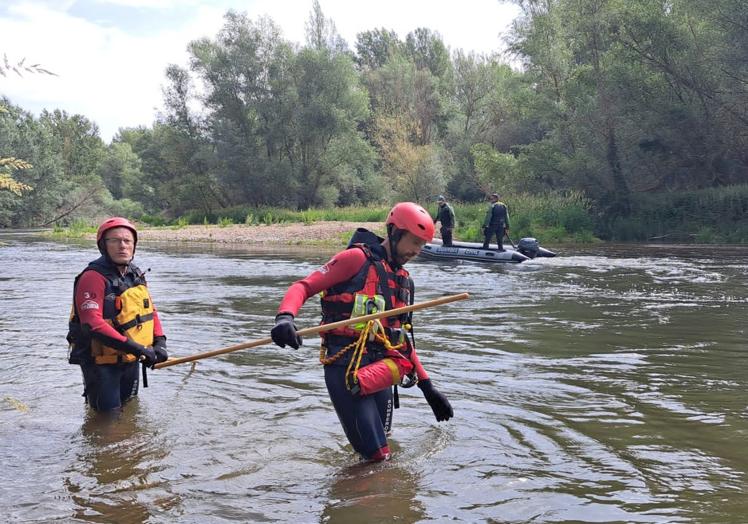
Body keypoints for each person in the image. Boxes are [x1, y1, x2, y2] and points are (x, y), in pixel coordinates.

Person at [270, 202, 453, 462]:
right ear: (394, 232)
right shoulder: (354, 259)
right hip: (346, 370)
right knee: (378, 459)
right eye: (413, 242)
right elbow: (303, 287)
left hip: (381, 372)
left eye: (422, 245)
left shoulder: (404, 280)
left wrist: (428, 388)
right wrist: (285, 317)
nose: (416, 251)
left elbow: (401, 341)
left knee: (382, 448)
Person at [67, 217, 168, 412]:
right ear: (103, 245)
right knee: (106, 419)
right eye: (114, 240)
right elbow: (92, 324)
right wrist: (139, 349)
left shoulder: (136, 274)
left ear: (134, 245)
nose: (122, 246)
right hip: (101, 364)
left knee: (130, 409)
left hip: (131, 360)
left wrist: (160, 342)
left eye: (127, 241)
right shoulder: (92, 277)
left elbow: (150, 311)